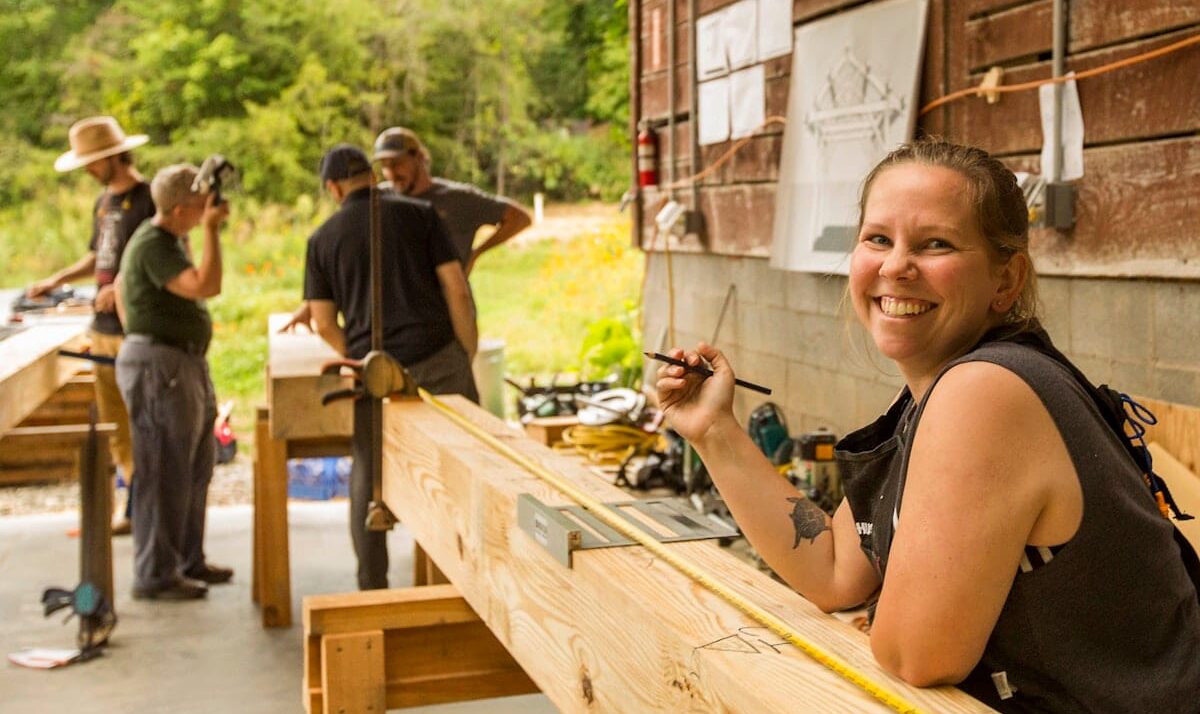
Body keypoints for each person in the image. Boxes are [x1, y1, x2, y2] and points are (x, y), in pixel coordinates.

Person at [656, 139, 1200, 710]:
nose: (895, 267)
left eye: (935, 244)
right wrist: (713, 430)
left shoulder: (986, 392)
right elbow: (837, 569)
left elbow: (918, 655)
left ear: (1006, 280)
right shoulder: (940, 388)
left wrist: (892, 614)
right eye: (878, 239)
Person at [303, 144, 478, 590]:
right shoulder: (420, 215)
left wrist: (364, 360)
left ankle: (372, 583)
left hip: (375, 376)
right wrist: (466, 352)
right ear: (369, 174)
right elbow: (456, 289)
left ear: (333, 187)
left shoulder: (322, 239)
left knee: (369, 472)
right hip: (439, 359)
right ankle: (469, 580)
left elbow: (323, 322)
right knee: (465, 469)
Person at [30, 116, 155, 535]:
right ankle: (131, 508)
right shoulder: (102, 203)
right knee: (116, 423)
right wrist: (58, 279)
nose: (88, 169)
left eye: (92, 161)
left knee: (144, 421)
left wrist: (120, 288)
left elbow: (158, 256)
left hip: (135, 329)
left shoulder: (148, 199)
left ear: (113, 156)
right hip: (101, 328)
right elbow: (97, 257)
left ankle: (149, 508)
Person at [114, 164, 233, 600]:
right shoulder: (153, 243)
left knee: (195, 466)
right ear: (181, 209)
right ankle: (155, 574)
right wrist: (214, 233)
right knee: (163, 470)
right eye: (201, 208)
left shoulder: (169, 241)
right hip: (160, 367)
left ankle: (187, 559)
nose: (207, 212)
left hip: (180, 361)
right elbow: (207, 285)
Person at [373, 126, 531, 275]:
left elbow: (519, 218)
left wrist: (476, 253)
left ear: (419, 157)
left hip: (450, 300)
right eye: (385, 166)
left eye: (397, 163)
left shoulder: (458, 198)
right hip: (402, 302)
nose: (391, 173)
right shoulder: (378, 198)